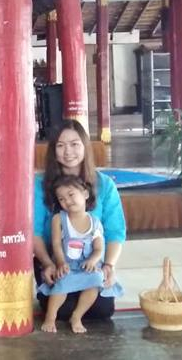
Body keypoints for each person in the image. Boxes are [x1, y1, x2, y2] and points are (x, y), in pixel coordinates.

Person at [34, 120, 126, 321]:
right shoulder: (39, 185)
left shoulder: (104, 184)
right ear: (53, 151)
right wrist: (48, 263)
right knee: (62, 311)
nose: (68, 151)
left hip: (90, 262)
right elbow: (34, 232)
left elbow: (115, 232)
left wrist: (108, 265)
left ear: (85, 146)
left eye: (75, 144)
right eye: (61, 145)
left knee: (101, 311)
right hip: (54, 261)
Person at [39, 174, 124, 334]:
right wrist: (61, 263)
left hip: (87, 266)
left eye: (71, 194)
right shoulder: (59, 219)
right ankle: (50, 317)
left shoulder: (95, 222)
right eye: (61, 199)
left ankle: (77, 316)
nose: (67, 201)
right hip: (67, 265)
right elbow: (56, 244)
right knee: (61, 283)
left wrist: (93, 261)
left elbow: (98, 248)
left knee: (96, 280)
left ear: (85, 194)